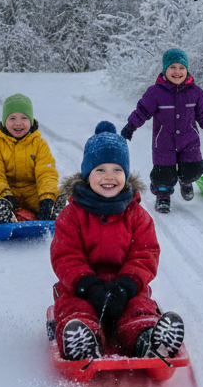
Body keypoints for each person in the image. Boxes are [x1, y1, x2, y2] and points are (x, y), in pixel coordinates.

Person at [50, 121, 184, 362]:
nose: (109, 177)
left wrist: (127, 285)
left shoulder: (137, 216)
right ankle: (85, 342)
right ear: (87, 174)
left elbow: (145, 254)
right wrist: (88, 285)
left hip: (125, 287)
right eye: (100, 170)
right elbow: (65, 255)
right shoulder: (71, 215)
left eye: (117, 170)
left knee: (139, 307)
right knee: (74, 308)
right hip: (83, 287)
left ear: (126, 174)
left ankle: (148, 339)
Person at [121, 48, 203, 213]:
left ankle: (186, 181)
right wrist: (131, 126)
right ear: (165, 70)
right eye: (172, 67)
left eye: (181, 67)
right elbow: (143, 111)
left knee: (193, 168)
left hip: (189, 140)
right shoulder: (155, 92)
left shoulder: (196, 92)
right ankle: (163, 197)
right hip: (164, 141)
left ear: (186, 70)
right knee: (164, 173)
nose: (177, 71)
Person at [0, 93, 64, 223]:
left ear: (30, 121)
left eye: (24, 118)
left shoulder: (39, 144)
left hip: (33, 194)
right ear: (5, 121)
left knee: (61, 194)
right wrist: (7, 196)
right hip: (6, 195)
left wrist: (46, 199)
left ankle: (53, 211)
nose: (18, 123)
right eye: (12, 118)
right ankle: (1, 212)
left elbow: (46, 173)